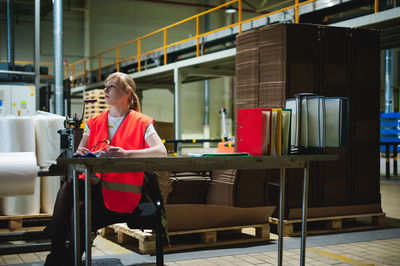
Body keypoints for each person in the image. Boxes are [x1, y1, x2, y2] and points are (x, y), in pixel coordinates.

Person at [45, 72, 167, 265]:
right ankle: (57, 257)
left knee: (81, 208)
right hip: (94, 188)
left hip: (123, 197)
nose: (105, 90)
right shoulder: (94, 123)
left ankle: (68, 259)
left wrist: (126, 154)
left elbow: (161, 152)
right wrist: (80, 155)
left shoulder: (141, 122)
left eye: (111, 86)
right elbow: (78, 154)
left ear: (126, 92)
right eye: (105, 86)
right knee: (68, 188)